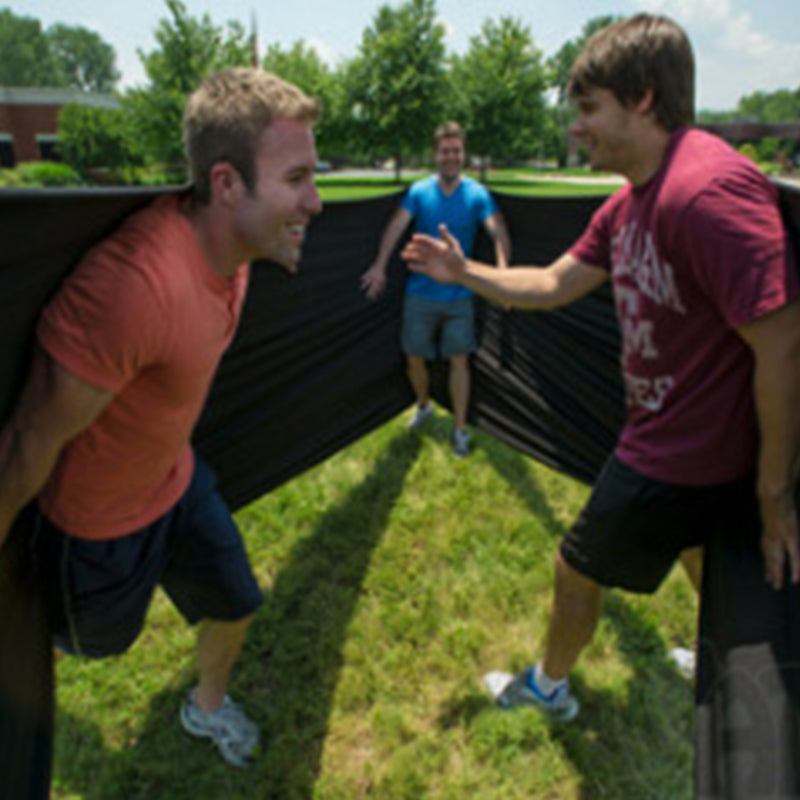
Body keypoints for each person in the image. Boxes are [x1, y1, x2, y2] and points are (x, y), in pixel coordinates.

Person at [401, 14, 800, 724]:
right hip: (678, 441)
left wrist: (775, 493)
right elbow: (552, 283)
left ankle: (548, 687)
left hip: (681, 451)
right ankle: (717, 651)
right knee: (694, 549)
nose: (576, 128)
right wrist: (464, 274)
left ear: (643, 98)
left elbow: (784, 342)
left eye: (589, 108)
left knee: (575, 565)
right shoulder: (631, 203)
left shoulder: (705, 191)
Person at [0, 67, 322, 767]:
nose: (317, 201)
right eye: (297, 179)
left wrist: (281, 228)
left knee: (236, 600)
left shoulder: (237, 249)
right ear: (227, 184)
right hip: (98, 526)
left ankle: (205, 709)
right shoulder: (136, 288)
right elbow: (26, 441)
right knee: (94, 645)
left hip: (177, 480)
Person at [361, 121, 511, 457]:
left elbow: (499, 233)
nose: (451, 156)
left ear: (463, 154)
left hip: (460, 295)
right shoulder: (418, 192)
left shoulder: (477, 194)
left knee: (460, 360)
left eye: (456, 150)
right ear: (436, 154)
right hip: (420, 293)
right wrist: (379, 265)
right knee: (414, 357)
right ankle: (424, 406)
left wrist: (503, 277)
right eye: (445, 151)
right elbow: (395, 226)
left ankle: (459, 430)